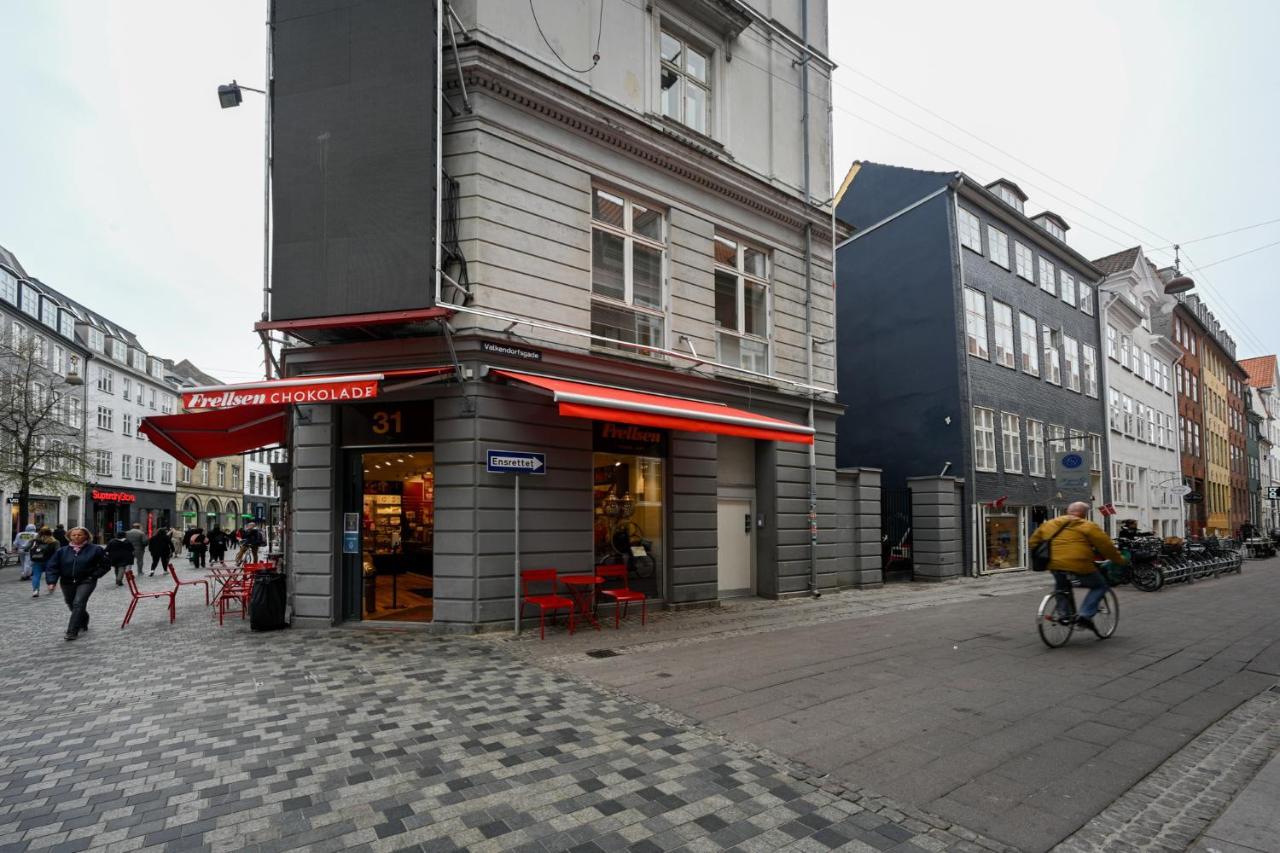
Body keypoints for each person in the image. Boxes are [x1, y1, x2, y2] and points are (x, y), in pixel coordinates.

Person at [1029, 501, 1127, 634]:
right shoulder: (1088, 526)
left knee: (1061, 586)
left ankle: (1064, 615)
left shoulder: (1050, 524)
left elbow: (1033, 542)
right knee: (1100, 586)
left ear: (1068, 511)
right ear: (1084, 514)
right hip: (1079, 564)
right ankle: (1085, 615)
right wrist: (1119, 560)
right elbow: (1106, 546)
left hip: (1054, 564)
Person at [45, 527, 112, 640]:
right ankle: (83, 618)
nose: (76, 537)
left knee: (78, 602)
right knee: (70, 602)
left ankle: (72, 631)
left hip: (86, 580)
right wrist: (52, 581)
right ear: (69, 537)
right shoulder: (62, 551)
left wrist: (94, 575)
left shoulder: (95, 549)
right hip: (67, 581)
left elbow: (105, 565)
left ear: (86, 536)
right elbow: (52, 567)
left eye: (79, 535)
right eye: (74, 535)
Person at [28, 527, 59, 598]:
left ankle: (35, 590)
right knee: (50, 574)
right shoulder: (55, 542)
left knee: (36, 575)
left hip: (37, 559)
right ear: (51, 534)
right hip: (50, 561)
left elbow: (27, 548)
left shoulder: (35, 540)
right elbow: (58, 552)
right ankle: (50, 586)